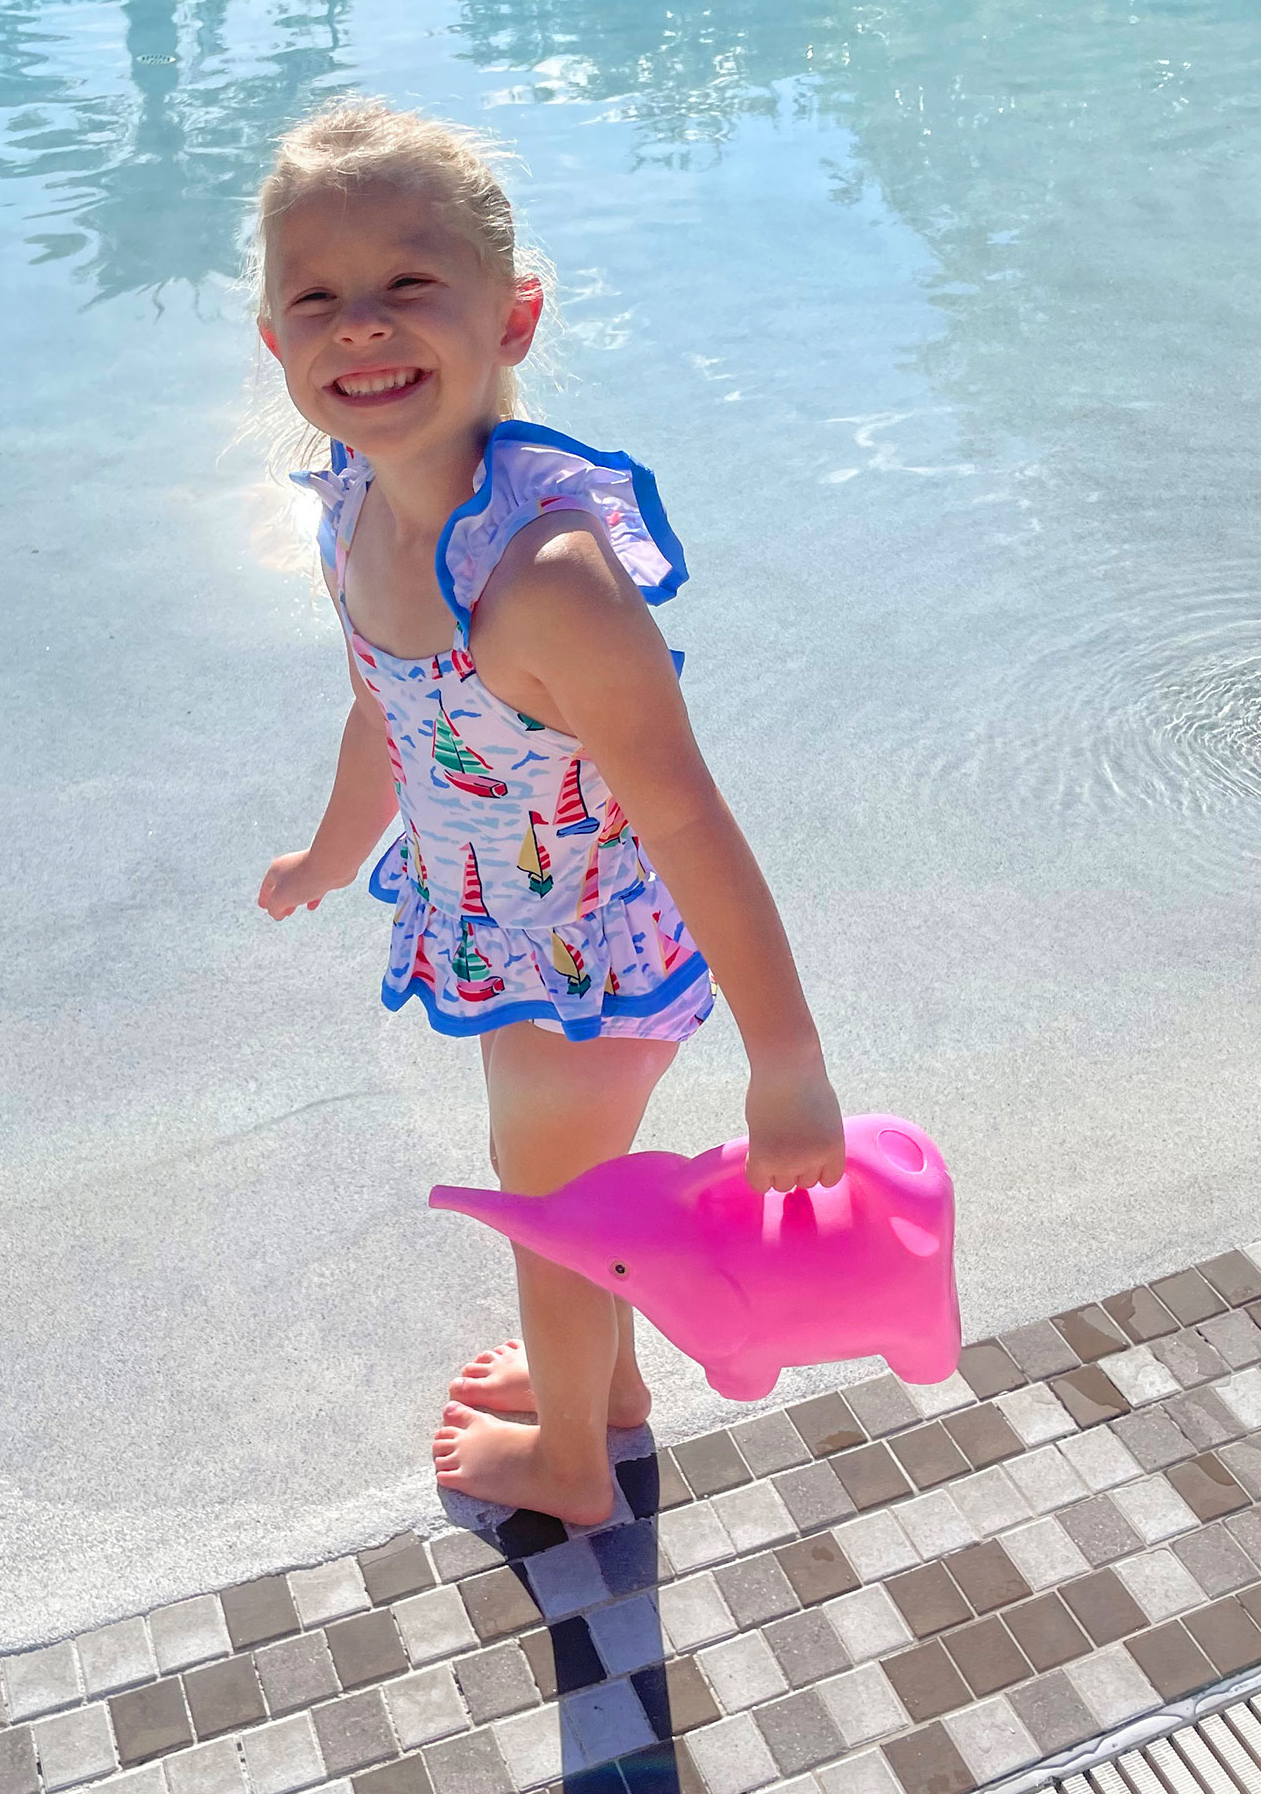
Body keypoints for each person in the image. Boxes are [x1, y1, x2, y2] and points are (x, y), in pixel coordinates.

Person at [253, 97, 847, 1525]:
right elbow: (383, 711)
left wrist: (787, 1060)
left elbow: (687, 817)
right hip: (500, 932)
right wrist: (332, 853)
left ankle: (577, 1461)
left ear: (512, 315)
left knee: (557, 1215)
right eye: (317, 297)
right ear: (274, 342)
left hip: (593, 959)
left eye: (410, 283)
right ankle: (606, 1385)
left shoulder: (548, 579)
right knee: (570, 1199)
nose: (360, 325)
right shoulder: (351, 510)